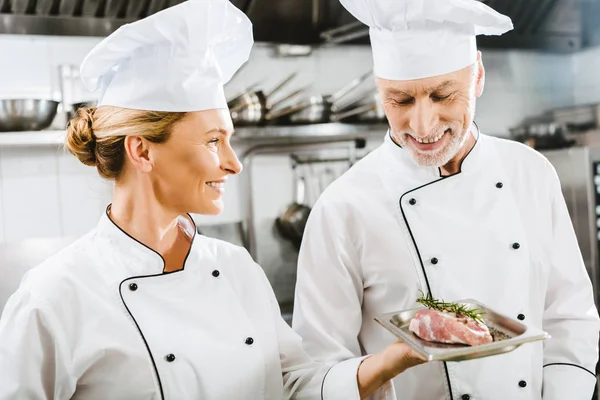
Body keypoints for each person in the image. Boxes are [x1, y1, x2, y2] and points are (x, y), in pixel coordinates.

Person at [0, 1, 428, 399]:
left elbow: (293, 384)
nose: (233, 164)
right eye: (212, 141)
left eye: (229, 141)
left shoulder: (237, 268)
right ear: (142, 151)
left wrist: (396, 357)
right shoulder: (55, 297)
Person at [292, 1, 600, 399]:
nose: (422, 126)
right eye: (400, 101)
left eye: (442, 96)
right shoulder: (343, 207)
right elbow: (318, 369)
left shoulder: (530, 172)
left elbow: (569, 314)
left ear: (478, 78)